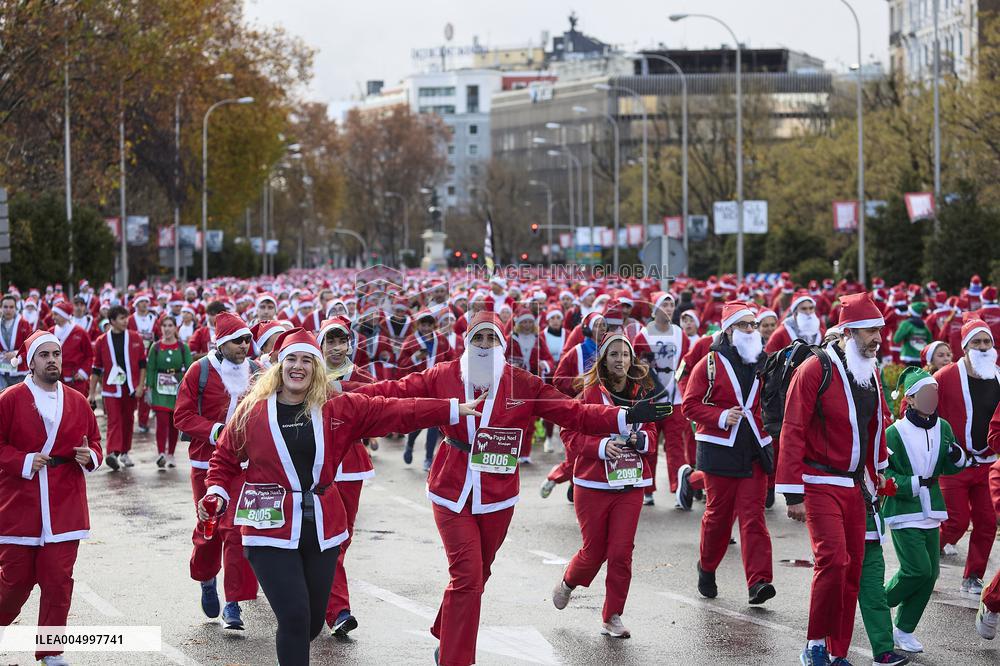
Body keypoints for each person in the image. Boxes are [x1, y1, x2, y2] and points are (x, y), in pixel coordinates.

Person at [352, 311, 668, 666]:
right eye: (478, 339)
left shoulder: (522, 383)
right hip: (452, 488)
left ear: (502, 344)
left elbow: (573, 413)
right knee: (468, 575)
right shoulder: (444, 375)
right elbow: (393, 392)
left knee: (478, 574)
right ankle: (456, 659)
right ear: (467, 342)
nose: (485, 346)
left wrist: (624, 417)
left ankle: (448, 628)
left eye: (492, 339)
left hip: (498, 495)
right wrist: (345, 396)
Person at [197, 328, 478, 666]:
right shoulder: (253, 411)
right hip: (267, 528)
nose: (297, 367)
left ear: (316, 368)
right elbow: (225, 458)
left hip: (322, 526)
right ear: (279, 366)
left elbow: (395, 410)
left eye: (306, 360)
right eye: (291, 360)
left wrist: (450, 409)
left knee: (313, 621)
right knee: (295, 616)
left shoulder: (337, 408)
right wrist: (215, 491)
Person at [778, 292, 891, 666]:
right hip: (818, 481)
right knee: (834, 561)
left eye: (879, 330)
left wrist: (878, 476)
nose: (877, 338)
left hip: (856, 486)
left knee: (853, 568)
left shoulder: (871, 371)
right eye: (869, 331)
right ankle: (813, 644)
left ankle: (838, 651)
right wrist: (793, 492)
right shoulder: (814, 369)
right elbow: (792, 429)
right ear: (848, 332)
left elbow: (876, 426)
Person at [0, 330, 103, 666]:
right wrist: (24, 461)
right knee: (14, 584)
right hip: (20, 504)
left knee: (58, 582)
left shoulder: (77, 400)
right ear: (31, 363)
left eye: (56, 354)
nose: (52, 361)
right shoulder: (10, 399)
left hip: (65, 506)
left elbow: (97, 443)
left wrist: (92, 457)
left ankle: (51, 651)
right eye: (44, 355)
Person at [552, 333, 658, 638]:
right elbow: (568, 434)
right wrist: (600, 447)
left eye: (625, 355)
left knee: (622, 552)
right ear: (603, 359)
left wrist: (643, 439)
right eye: (614, 355)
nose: (620, 360)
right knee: (594, 551)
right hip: (593, 484)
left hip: (630, 484)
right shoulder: (588, 393)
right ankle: (569, 582)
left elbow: (652, 432)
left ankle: (612, 615)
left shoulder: (641, 392)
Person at [680, 301, 775, 605]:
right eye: (745, 325)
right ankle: (706, 567)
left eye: (754, 324)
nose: (752, 330)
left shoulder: (763, 361)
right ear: (730, 329)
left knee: (753, 518)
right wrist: (721, 416)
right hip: (719, 450)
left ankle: (758, 582)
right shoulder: (709, 362)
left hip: (754, 448)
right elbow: (690, 405)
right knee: (718, 519)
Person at [174, 312, 261, 630]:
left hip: (243, 466)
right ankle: (206, 579)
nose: (245, 345)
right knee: (210, 528)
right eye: (238, 340)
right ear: (222, 343)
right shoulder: (200, 371)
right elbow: (181, 417)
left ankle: (234, 604)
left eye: (248, 339)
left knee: (238, 532)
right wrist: (216, 431)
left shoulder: (256, 371)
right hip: (205, 464)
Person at [881, 366, 967, 655]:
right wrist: (912, 484)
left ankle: (903, 629)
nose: (932, 398)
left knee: (930, 575)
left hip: (933, 508)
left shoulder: (943, 427)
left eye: (934, 393)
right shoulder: (894, 433)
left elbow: (951, 462)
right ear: (911, 399)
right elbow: (885, 476)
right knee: (917, 569)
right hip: (904, 509)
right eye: (925, 394)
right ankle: (877, 604)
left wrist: (957, 457)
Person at [318, 316, 377, 637]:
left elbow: (380, 403)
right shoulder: (306, 373)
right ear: (321, 344)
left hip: (351, 465)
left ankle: (322, 591)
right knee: (334, 539)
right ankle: (338, 609)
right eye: (331, 341)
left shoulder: (362, 377)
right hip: (316, 465)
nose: (337, 348)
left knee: (344, 537)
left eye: (342, 341)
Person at [933, 314, 999, 594]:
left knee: (986, 523)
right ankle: (926, 557)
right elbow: (916, 412)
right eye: (977, 341)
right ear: (965, 347)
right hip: (955, 464)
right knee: (955, 522)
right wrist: (944, 445)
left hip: (988, 464)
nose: (983, 347)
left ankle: (973, 575)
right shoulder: (945, 377)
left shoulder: (998, 376)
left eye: (987, 341)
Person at [632, 292, 690, 504]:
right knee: (650, 445)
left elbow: (687, 364)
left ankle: (678, 489)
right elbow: (636, 367)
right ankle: (648, 489)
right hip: (652, 401)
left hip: (676, 400)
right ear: (655, 309)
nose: (668, 308)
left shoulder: (679, 334)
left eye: (671, 305)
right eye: (664, 305)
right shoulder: (644, 335)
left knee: (676, 446)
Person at [89, 305, 146, 471]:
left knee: (128, 420)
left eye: (126, 317)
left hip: (131, 387)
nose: (125, 321)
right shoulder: (101, 341)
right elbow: (96, 368)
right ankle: (112, 453)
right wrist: (92, 392)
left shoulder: (136, 338)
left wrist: (141, 385)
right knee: (114, 420)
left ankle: (125, 452)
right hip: (111, 388)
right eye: (121, 318)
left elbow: (143, 364)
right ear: (112, 321)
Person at [399, 310, 453, 471]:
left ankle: (429, 459)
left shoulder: (442, 340)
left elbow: (452, 360)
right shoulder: (410, 341)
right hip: (418, 385)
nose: (426, 327)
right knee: (419, 422)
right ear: (418, 324)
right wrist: (415, 357)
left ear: (433, 325)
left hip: (437, 386)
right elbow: (401, 364)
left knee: (434, 423)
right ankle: (410, 443)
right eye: (423, 324)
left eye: (429, 324)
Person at [145, 315, 193, 469]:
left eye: (170, 325)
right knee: (162, 422)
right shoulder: (156, 347)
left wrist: (189, 389)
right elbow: (150, 368)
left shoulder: (182, 347)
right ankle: (161, 453)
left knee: (174, 423)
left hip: (177, 387)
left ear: (175, 328)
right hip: (160, 389)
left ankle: (171, 454)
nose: (167, 328)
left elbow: (191, 368)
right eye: (164, 325)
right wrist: (148, 388)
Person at [49, 300, 93, 397]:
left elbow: (89, 355)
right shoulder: (51, 332)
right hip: (56, 379)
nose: (53, 317)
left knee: (77, 409)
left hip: (76, 379)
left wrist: (83, 372)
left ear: (64, 315)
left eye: (56, 314)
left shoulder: (80, 332)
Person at [0, 294, 32, 390]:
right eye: (5, 307)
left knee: (18, 399)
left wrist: (15, 354)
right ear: (1, 308)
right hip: (2, 369)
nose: (8, 310)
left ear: (16, 308)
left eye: (11, 307)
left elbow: (31, 346)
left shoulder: (24, 324)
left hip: (20, 370)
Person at [893, 302, 931, 367]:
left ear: (910, 312)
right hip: (921, 359)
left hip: (907, 357)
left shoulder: (905, 324)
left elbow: (896, 339)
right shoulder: (924, 326)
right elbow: (929, 341)